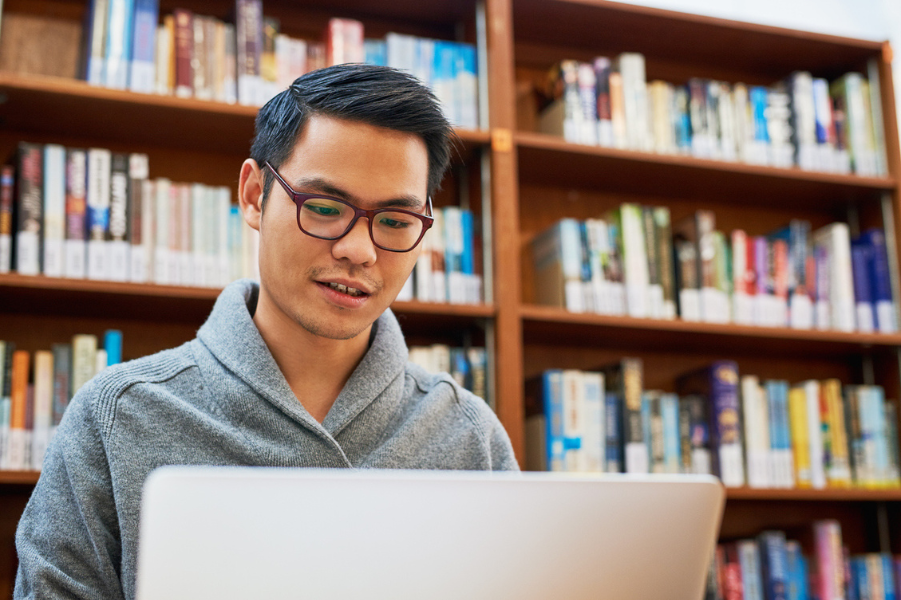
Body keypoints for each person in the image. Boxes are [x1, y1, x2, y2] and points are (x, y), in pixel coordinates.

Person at [15, 64, 518, 600]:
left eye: (395, 222)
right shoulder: (115, 418)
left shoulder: (469, 437)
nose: (359, 250)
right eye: (325, 208)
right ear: (255, 195)